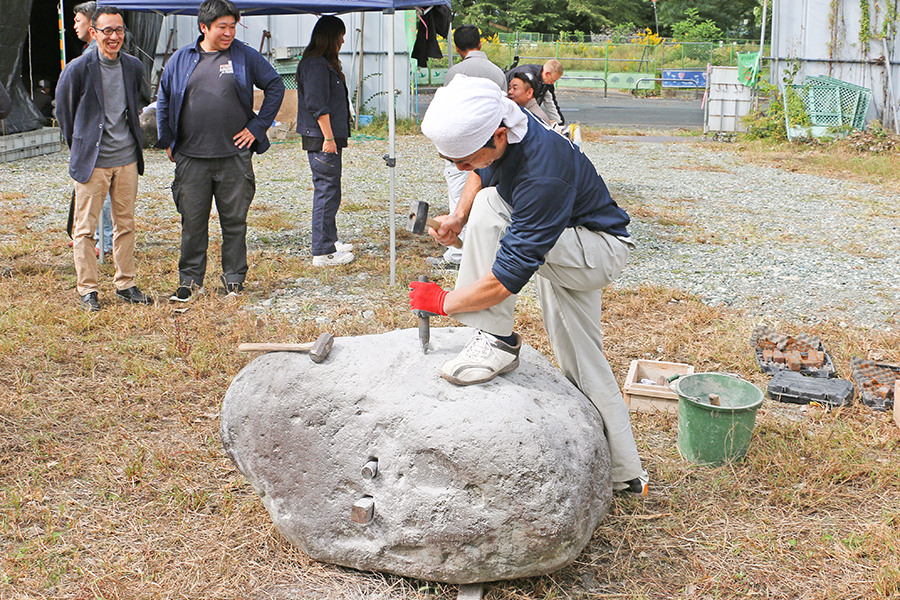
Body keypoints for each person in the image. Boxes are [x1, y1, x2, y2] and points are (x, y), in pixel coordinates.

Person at [410, 76, 648, 495]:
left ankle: (497, 339)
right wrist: (458, 218)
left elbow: (504, 280)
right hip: (568, 241)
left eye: (465, 160)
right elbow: (482, 173)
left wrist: (445, 301)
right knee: (580, 358)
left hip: (597, 251)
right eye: (453, 162)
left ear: (498, 137)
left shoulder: (542, 173)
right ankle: (626, 474)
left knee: (491, 209)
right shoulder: (507, 121)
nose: (462, 169)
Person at [157, 0, 285, 301]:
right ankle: (189, 282)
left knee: (234, 221)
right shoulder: (181, 59)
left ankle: (234, 282)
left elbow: (275, 86)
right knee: (192, 222)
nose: (228, 33)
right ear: (204, 27)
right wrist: (168, 140)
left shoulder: (243, 55)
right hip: (191, 157)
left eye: (232, 26)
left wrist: (256, 128)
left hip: (233, 157)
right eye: (221, 27)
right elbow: (163, 98)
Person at [56, 5, 152, 311]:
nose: (114, 37)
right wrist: (81, 145)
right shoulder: (79, 68)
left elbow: (137, 102)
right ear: (94, 33)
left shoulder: (133, 66)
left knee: (125, 224)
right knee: (84, 228)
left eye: (119, 30)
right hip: (93, 161)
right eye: (107, 30)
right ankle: (88, 289)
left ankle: (126, 283)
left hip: (126, 159)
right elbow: (64, 112)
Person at [428, 24, 507, 272]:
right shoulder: (497, 72)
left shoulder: (456, 71)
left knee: (457, 194)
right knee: (492, 198)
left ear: (456, 47)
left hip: (464, 145)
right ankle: (493, 250)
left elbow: (451, 112)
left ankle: (456, 255)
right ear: (480, 44)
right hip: (490, 146)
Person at [295, 16, 355, 267]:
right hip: (322, 138)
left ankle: (329, 240)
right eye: (340, 36)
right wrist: (328, 137)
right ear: (329, 37)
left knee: (331, 190)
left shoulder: (322, 63)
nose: (342, 40)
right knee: (326, 191)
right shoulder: (316, 65)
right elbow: (317, 105)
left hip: (326, 137)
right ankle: (323, 251)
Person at [73, 0, 114, 258]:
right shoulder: (89, 54)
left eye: (78, 20)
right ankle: (101, 238)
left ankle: (104, 241)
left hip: (100, 138)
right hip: (95, 136)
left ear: (92, 25)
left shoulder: (93, 57)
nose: (74, 25)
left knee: (101, 191)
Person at [506, 59, 565, 125]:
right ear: (546, 73)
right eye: (553, 80)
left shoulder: (547, 83)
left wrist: (560, 123)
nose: (553, 83)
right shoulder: (527, 76)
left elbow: (551, 103)